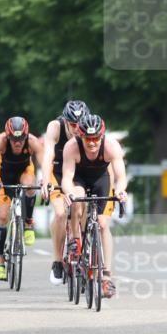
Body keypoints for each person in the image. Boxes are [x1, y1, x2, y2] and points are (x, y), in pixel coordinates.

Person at [61, 113, 128, 298]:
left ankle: (106, 277)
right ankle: (75, 240)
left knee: (103, 224)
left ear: (102, 136)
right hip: (79, 179)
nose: (91, 143)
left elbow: (121, 177)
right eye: (87, 139)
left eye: (95, 138)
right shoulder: (71, 147)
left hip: (101, 180)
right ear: (80, 136)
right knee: (78, 198)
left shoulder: (111, 146)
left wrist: (121, 191)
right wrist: (70, 193)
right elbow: (67, 179)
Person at [0, 116, 46, 281]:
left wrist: (45, 180)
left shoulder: (32, 142)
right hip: (4, 176)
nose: (17, 143)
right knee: (3, 217)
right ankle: (0, 261)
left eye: (21, 138)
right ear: (8, 136)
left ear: (26, 136)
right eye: (14, 139)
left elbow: (46, 163)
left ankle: (28, 222)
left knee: (30, 186)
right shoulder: (1, 141)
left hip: (25, 171)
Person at [40, 99, 90, 285]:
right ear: (65, 120)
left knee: (80, 206)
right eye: (73, 124)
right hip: (57, 173)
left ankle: (84, 247)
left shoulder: (89, 129)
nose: (77, 128)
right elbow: (48, 155)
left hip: (77, 174)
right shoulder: (55, 127)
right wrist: (45, 181)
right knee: (61, 213)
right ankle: (57, 261)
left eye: (80, 124)